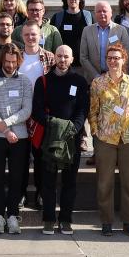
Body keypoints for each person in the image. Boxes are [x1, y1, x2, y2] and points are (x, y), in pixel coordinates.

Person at [31, 46, 89, 234]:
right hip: (50, 138)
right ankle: (48, 219)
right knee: (48, 181)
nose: (62, 60)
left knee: (69, 182)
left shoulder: (80, 82)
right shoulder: (43, 81)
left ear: (72, 59)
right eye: (59, 56)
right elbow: (37, 110)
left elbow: (83, 109)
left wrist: (73, 128)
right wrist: (54, 125)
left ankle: (65, 220)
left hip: (72, 138)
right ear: (54, 57)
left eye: (66, 56)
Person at [89, 44, 129, 236]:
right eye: (110, 58)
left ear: (124, 60)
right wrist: (95, 132)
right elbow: (93, 110)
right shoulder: (97, 83)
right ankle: (106, 221)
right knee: (105, 182)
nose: (113, 61)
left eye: (116, 58)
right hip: (105, 138)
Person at [0, 43, 34, 235]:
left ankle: (12, 215)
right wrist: (5, 130)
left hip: (19, 137)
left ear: (18, 61)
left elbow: (26, 110)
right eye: (7, 61)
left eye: (13, 62)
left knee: (16, 177)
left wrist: (7, 124)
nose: (10, 65)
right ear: (1, 60)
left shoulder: (25, 81)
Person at [80, 1, 129, 84]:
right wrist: (96, 76)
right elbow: (83, 57)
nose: (102, 13)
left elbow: (126, 55)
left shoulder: (121, 30)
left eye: (104, 11)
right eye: (99, 11)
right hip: (93, 79)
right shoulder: (87, 30)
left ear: (111, 13)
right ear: (95, 14)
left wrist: (113, 75)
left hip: (115, 79)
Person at [52, 0, 92, 67]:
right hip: (63, 64)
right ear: (66, 0)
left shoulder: (88, 16)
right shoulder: (57, 17)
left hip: (84, 64)